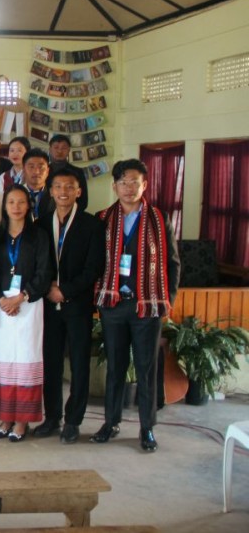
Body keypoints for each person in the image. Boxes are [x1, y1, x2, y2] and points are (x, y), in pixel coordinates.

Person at [91, 159, 179, 453]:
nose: (129, 188)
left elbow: (173, 263)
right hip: (114, 305)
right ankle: (111, 422)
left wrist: (168, 300)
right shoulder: (103, 218)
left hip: (147, 306)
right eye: (123, 182)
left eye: (135, 182)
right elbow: (93, 263)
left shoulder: (158, 218)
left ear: (145, 185)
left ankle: (147, 428)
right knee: (115, 368)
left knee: (146, 368)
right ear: (114, 186)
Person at [36, 167, 104, 444]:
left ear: (78, 191)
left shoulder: (92, 225)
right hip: (48, 306)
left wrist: (66, 291)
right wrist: (49, 288)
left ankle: (73, 420)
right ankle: (52, 417)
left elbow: (94, 268)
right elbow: (37, 264)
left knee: (78, 364)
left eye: (69, 187)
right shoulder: (40, 224)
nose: (63, 192)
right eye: (58, 186)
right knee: (50, 363)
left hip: (77, 305)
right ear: (50, 190)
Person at [0, 185, 53, 443]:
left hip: (29, 305)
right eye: (11, 202)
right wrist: (1, 299)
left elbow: (44, 272)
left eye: (21, 202)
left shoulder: (39, 235)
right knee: (4, 361)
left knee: (26, 359)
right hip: (2, 306)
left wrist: (22, 296)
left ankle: (23, 420)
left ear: (29, 206)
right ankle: (5, 416)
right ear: (4, 206)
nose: (16, 207)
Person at [47, 134, 89, 212]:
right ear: (50, 149)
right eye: (56, 147)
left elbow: (83, 201)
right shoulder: (43, 172)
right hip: (45, 216)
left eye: (64, 148)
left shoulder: (78, 172)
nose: (60, 151)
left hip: (72, 216)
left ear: (69, 150)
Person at [22, 148, 53, 223]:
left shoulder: (55, 195)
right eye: (31, 167)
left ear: (48, 171)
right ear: (23, 170)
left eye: (41, 167)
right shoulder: (15, 194)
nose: (36, 172)